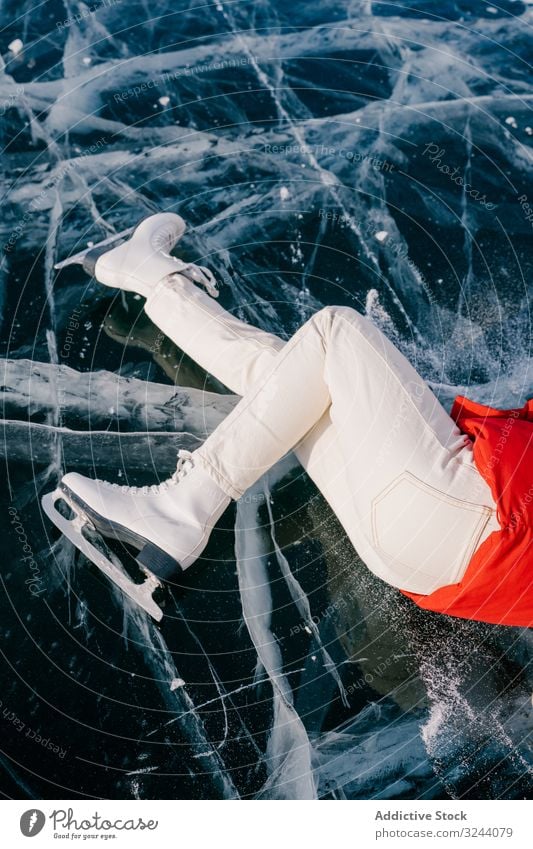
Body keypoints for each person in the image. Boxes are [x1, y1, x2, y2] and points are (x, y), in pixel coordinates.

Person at [50, 213, 532, 628]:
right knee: (296, 382)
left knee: (334, 333)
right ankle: (150, 275)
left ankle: (182, 508)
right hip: (425, 569)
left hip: (467, 511)